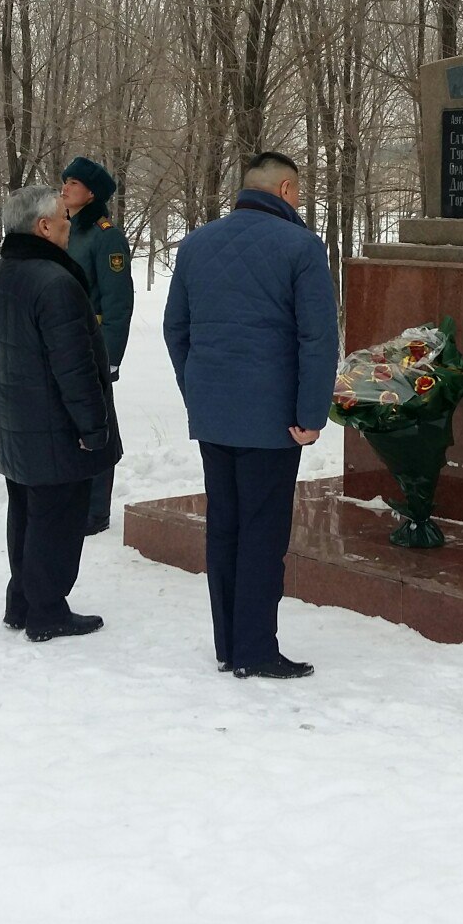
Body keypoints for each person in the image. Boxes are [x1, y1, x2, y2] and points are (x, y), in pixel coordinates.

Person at [163, 151, 338, 679]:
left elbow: (177, 330)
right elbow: (318, 338)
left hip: (215, 416)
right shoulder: (302, 247)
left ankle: (229, 645)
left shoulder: (195, 244)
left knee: (225, 528)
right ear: (285, 189)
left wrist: (199, 394)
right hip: (274, 421)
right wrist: (311, 415)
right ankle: (256, 649)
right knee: (262, 534)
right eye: (299, 191)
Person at [0, 183, 122, 643]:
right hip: (55, 425)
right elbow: (74, 366)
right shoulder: (56, 282)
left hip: (17, 418)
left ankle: (21, 600)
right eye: (63, 216)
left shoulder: (2, 274)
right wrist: (93, 426)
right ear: (43, 226)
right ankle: (47, 611)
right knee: (57, 519)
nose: (68, 223)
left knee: (25, 511)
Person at [60, 156, 135, 535]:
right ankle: (73, 503)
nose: (65, 187)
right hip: (64, 346)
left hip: (93, 347)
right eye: (65, 181)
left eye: (73, 183)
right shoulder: (62, 229)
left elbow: (118, 303)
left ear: (91, 193)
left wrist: (111, 356)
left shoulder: (107, 236)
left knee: (99, 428)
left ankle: (95, 512)